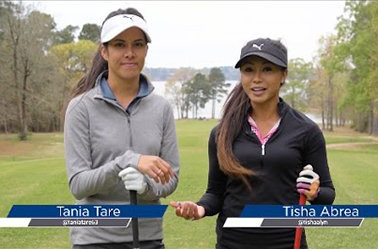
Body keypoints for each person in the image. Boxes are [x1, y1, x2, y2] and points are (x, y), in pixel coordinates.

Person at [170, 38, 335, 249]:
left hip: (286, 244)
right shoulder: (222, 133)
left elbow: (327, 195)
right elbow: (216, 193)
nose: (256, 78)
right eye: (248, 70)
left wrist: (315, 192)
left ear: (283, 75)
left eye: (267, 69)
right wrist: (199, 208)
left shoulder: (306, 131)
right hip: (232, 244)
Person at [64, 7, 179, 249]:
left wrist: (146, 186)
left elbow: (171, 179)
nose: (129, 53)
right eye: (119, 44)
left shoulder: (161, 108)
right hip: (95, 240)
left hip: (149, 239)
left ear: (146, 50)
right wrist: (124, 163)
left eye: (137, 44)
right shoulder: (81, 108)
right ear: (104, 51)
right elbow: (78, 185)